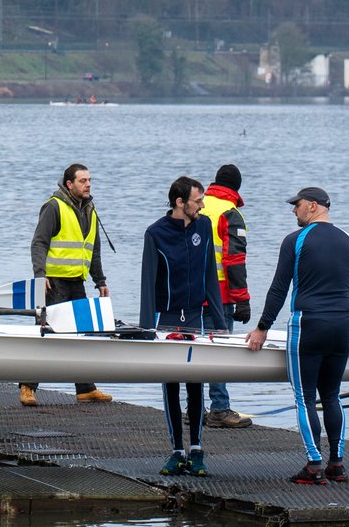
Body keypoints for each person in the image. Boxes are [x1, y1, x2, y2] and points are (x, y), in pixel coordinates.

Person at [245, 186, 349, 486]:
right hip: (342, 325)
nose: (293, 210)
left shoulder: (295, 240)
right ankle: (337, 464)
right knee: (332, 395)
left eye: (296, 205)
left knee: (304, 397)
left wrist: (262, 327)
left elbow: (279, 288)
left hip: (308, 325)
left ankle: (313, 465)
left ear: (312, 206)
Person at [140, 176, 224, 477]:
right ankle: (177, 450)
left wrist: (220, 323)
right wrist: (147, 329)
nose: (202, 205)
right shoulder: (155, 234)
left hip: (196, 316)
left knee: (196, 382)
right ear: (180, 202)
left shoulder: (204, 226)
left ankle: (197, 450)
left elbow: (210, 275)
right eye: (197, 201)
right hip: (168, 318)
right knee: (172, 384)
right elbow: (147, 282)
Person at [19, 163, 113, 407]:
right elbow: (38, 243)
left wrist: (100, 281)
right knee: (46, 335)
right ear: (69, 184)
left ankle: (85, 388)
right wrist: (40, 275)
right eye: (83, 181)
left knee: (81, 335)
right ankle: (27, 386)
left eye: (90, 180)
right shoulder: (54, 207)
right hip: (53, 283)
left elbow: (94, 250)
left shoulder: (90, 209)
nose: (88, 184)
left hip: (77, 282)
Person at [198, 163, 253, 429]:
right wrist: (242, 298)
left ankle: (194, 409)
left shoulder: (197, 204)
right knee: (219, 352)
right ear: (236, 188)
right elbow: (234, 259)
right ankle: (219, 409)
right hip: (220, 296)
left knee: (193, 351)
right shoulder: (230, 213)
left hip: (190, 293)